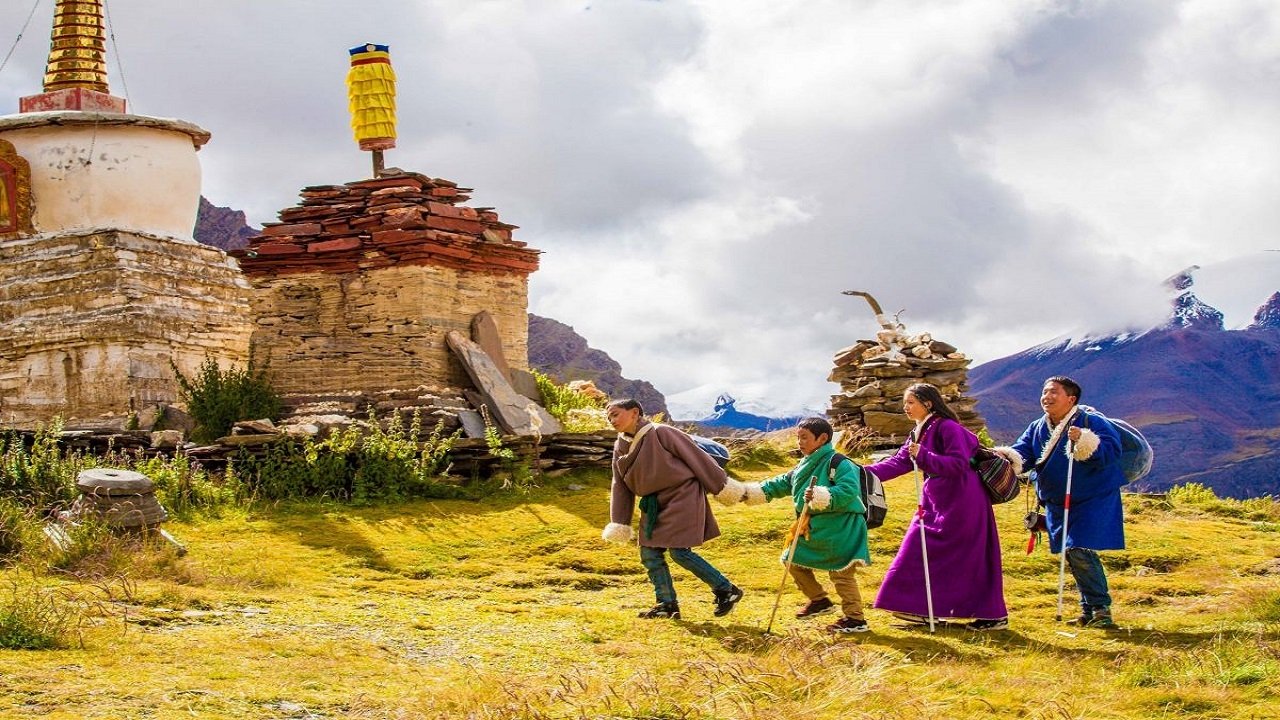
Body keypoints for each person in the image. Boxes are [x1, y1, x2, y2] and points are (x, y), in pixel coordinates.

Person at [863, 383, 1009, 630]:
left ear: (928, 403)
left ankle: (992, 615)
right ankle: (922, 608)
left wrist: (923, 455)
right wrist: (857, 474)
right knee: (918, 547)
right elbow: (899, 463)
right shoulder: (919, 431)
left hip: (963, 499)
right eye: (905, 403)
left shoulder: (948, 428)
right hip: (938, 500)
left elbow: (958, 464)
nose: (905, 408)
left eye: (911, 402)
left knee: (968, 557)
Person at [602, 399, 746, 620]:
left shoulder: (663, 433)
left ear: (634, 413)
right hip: (652, 503)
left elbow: (699, 460)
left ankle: (726, 590)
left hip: (682, 496)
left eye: (615, 414)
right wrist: (620, 520)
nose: (612, 420)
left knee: (679, 551)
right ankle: (666, 604)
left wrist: (721, 487)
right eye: (609, 416)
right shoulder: (620, 445)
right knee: (649, 553)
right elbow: (619, 484)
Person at [1004, 376, 1126, 628]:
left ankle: (1101, 609)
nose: (1046, 397)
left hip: (1093, 497)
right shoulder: (1037, 427)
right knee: (1071, 554)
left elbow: (1112, 451)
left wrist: (1084, 440)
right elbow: (1023, 453)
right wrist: (1004, 458)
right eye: (1044, 392)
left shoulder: (1092, 421)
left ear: (1071, 399)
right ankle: (1089, 610)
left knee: (1079, 549)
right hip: (1058, 502)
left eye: (1053, 392)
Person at [737, 416, 872, 633]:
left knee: (841, 573)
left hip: (842, 528)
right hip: (816, 527)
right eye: (798, 437)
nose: (799, 442)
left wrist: (822, 494)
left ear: (823, 438)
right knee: (792, 559)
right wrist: (747, 492)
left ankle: (856, 619)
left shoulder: (839, 463)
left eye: (805, 438)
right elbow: (782, 483)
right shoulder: (805, 463)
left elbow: (849, 491)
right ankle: (819, 600)